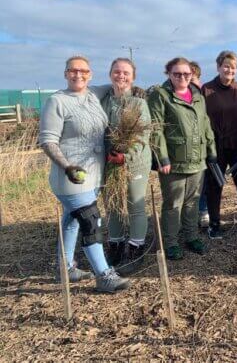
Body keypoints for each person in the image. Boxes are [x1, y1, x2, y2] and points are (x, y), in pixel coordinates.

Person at [39, 55, 130, 292]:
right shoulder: (56, 101)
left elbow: (117, 84)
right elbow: (48, 141)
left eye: (84, 71)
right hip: (70, 177)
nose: (78, 75)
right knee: (91, 220)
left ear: (90, 74)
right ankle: (104, 275)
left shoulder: (93, 95)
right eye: (73, 70)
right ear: (65, 73)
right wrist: (67, 166)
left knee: (72, 221)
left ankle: (66, 267)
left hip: (93, 174)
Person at [148, 57, 217, 260]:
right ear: (168, 74)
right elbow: (156, 128)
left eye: (186, 74)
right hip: (174, 160)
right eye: (177, 74)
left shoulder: (197, 96)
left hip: (197, 159)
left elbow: (205, 123)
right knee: (173, 204)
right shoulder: (160, 96)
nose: (182, 77)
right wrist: (162, 157)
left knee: (192, 201)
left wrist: (211, 149)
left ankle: (191, 236)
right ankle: (170, 242)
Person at [100, 57, 152, 275]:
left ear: (133, 77)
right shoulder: (103, 101)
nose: (121, 76)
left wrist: (126, 156)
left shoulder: (138, 103)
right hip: (109, 162)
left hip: (135, 163)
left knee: (134, 205)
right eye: (117, 71)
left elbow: (144, 135)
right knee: (112, 205)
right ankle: (116, 244)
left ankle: (136, 247)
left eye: (126, 73)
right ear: (110, 73)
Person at [201, 51, 237, 239]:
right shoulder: (207, 90)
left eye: (233, 67)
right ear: (218, 67)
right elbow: (200, 120)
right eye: (226, 66)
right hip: (215, 147)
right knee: (214, 184)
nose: (229, 70)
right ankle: (215, 222)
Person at [189, 60, 210, 228]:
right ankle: (186, 216)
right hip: (182, 148)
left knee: (202, 183)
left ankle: (203, 211)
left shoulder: (202, 95)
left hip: (201, 146)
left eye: (192, 76)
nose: (188, 79)